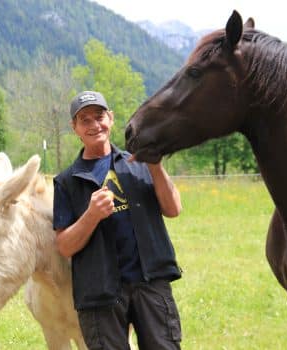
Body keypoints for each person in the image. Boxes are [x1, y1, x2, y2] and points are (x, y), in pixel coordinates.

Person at [53, 91, 183, 350]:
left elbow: (173, 208)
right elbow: (65, 246)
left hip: (151, 283)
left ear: (110, 118)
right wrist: (91, 216)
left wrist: (155, 166)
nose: (94, 125)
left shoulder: (140, 164)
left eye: (99, 117)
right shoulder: (67, 181)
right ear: (75, 128)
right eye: (84, 120)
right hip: (99, 294)